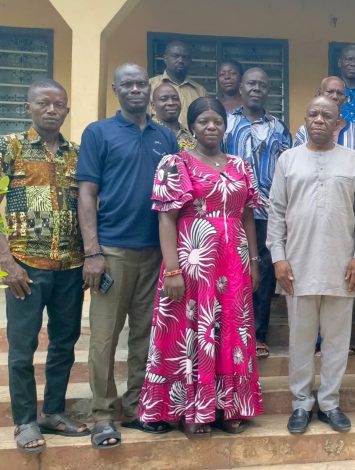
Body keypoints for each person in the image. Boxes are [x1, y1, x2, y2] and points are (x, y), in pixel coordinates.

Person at [138, 96, 263, 438]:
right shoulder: (175, 163)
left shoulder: (240, 166)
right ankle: (193, 409)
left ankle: (228, 407)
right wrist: (172, 270)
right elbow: (166, 219)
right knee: (193, 334)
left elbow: (248, 216)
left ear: (226, 125)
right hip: (194, 263)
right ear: (192, 126)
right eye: (204, 121)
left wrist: (254, 262)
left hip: (234, 262)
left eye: (217, 121)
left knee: (231, 331)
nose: (211, 127)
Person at [77, 63, 179, 449]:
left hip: (155, 253)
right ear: (116, 90)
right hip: (113, 251)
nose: (135, 89)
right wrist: (92, 251)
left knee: (146, 336)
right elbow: (87, 194)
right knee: (104, 337)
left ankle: (138, 406)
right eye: (128, 84)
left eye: (140, 84)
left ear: (149, 91)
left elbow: (175, 198)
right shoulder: (98, 133)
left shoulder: (165, 137)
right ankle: (103, 414)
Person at [267, 96, 355, 434]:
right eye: (312, 114)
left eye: (326, 115)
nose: (318, 120)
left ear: (338, 123)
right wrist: (278, 258)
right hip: (297, 266)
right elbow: (276, 212)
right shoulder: (288, 160)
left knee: (337, 341)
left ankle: (329, 403)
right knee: (300, 341)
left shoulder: (353, 160)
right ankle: (301, 403)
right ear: (304, 119)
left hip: (342, 267)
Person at [2, 79, 89, 454]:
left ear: (67, 110)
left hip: (70, 266)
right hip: (24, 267)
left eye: (59, 104)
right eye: (43, 103)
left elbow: (88, 205)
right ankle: (24, 420)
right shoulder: (9, 147)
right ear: (28, 108)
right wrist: (7, 264)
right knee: (22, 348)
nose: (52, 110)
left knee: (64, 344)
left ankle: (53, 412)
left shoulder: (78, 154)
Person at [224, 67, 292, 360]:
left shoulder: (279, 128)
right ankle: (228, 337)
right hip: (229, 212)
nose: (256, 88)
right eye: (251, 83)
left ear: (268, 90)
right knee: (229, 272)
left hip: (266, 213)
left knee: (261, 274)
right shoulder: (226, 123)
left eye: (262, 85)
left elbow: (287, 169)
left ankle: (257, 335)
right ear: (241, 87)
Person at [294, 76, 355, 157]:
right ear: (319, 94)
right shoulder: (304, 131)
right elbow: (297, 160)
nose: (335, 97)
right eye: (330, 92)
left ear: (345, 100)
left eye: (339, 93)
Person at [149, 41, 207, 129]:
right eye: (175, 56)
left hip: (190, 138)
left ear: (190, 61)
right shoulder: (150, 86)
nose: (180, 60)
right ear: (165, 59)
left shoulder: (200, 91)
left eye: (185, 57)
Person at [150, 83, 195, 152]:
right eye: (164, 99)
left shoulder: (189, 134)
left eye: (175, 99)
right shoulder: (147, 132)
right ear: (153, 106)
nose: (171, 103)